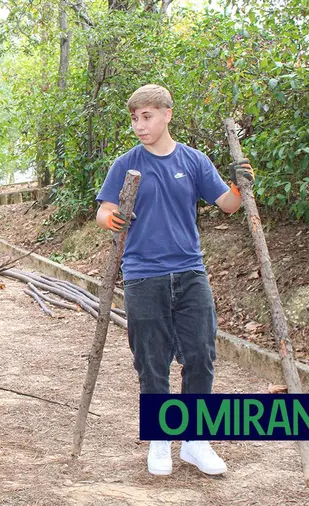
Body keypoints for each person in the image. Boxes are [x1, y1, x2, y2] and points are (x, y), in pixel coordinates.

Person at [95, 84, 253, 477]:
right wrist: (111, 220)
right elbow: (105, 211)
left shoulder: (194, 161)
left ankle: (196, 443)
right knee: (152, 361)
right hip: (142, 275)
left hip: (189, 272)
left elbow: (229, 206)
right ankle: (161, 442)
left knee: (201, 355)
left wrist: (241, 184)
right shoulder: (126, 164)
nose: (139, 126)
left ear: (167, 114)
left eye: (146, 117)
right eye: (134, 118)